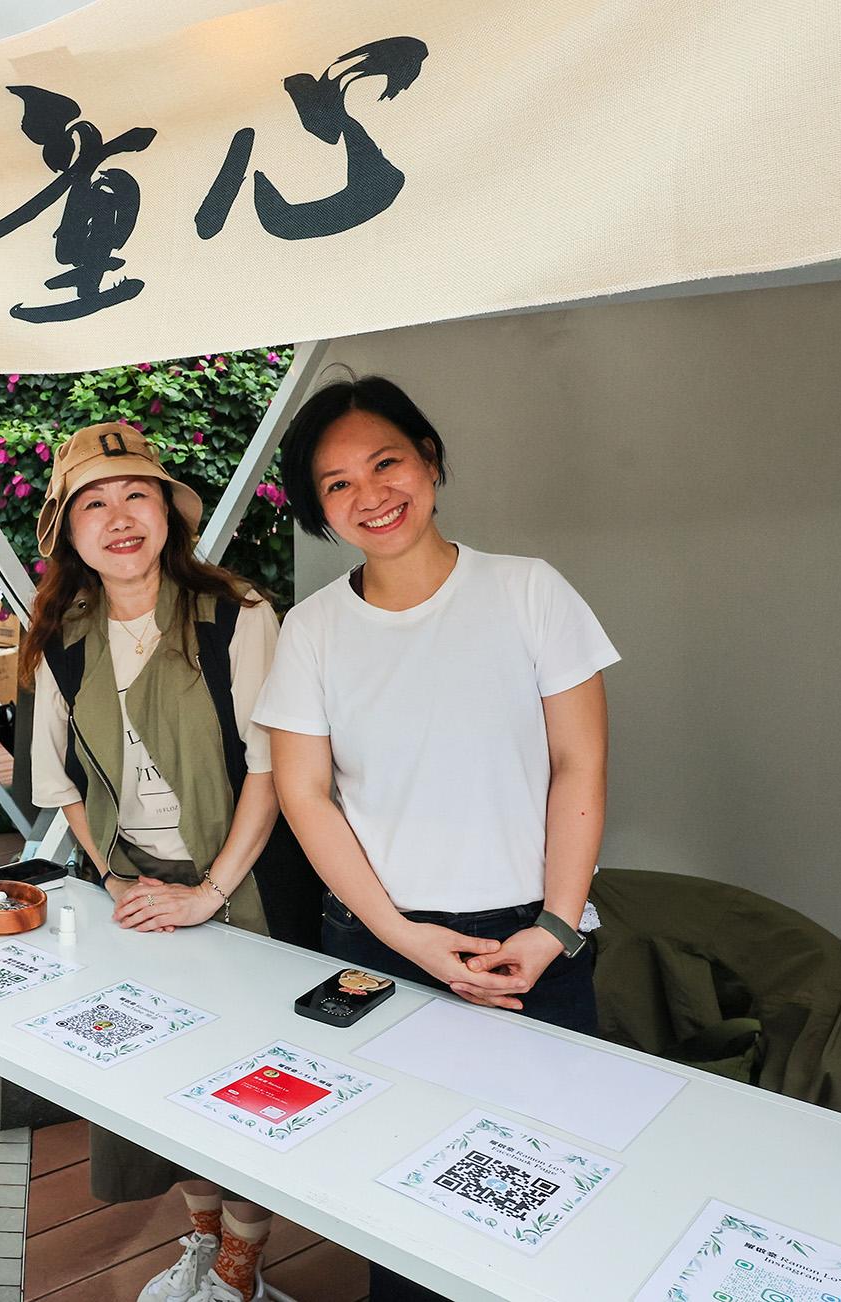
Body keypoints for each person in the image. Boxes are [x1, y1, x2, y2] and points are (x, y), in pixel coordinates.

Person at [253, 376, 618, 1302]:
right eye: (337, 484)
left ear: (430, 460)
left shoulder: (528, 589)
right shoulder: (312, 629)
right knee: (402, 1201)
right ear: (318, 509)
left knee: (545, 1198)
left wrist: (556, 926)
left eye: (387, 463)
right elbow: (305, 795)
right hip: (381, 946)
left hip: (535, 943)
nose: (371, 495)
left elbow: (579, 763)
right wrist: (403, 937)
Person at [23, 422, 285, 1302]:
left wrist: (209, 891)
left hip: (241, 883)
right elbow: (61, 784)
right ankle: (202, 1240)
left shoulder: (237, 614)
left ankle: (242, 1267)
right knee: (163, 1076)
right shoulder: (63, 636)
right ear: (70, 534)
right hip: (137, 893)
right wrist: (114, 880)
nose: (120, 517)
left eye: (138, 493)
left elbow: (273, 769)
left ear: (169, 512)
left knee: (244, 1079)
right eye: (93, 504)